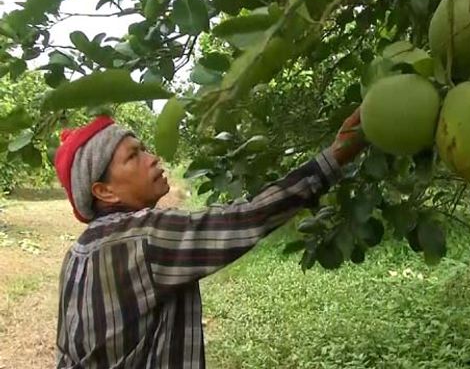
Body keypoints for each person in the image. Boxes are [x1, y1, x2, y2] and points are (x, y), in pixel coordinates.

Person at [52, 107, 367, 368]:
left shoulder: (77, 253)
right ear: (104, 190)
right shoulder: (143, 236)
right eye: (133, 156)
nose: (152, 158)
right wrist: (335, 158)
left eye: (144, 148)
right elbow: (247, 218)